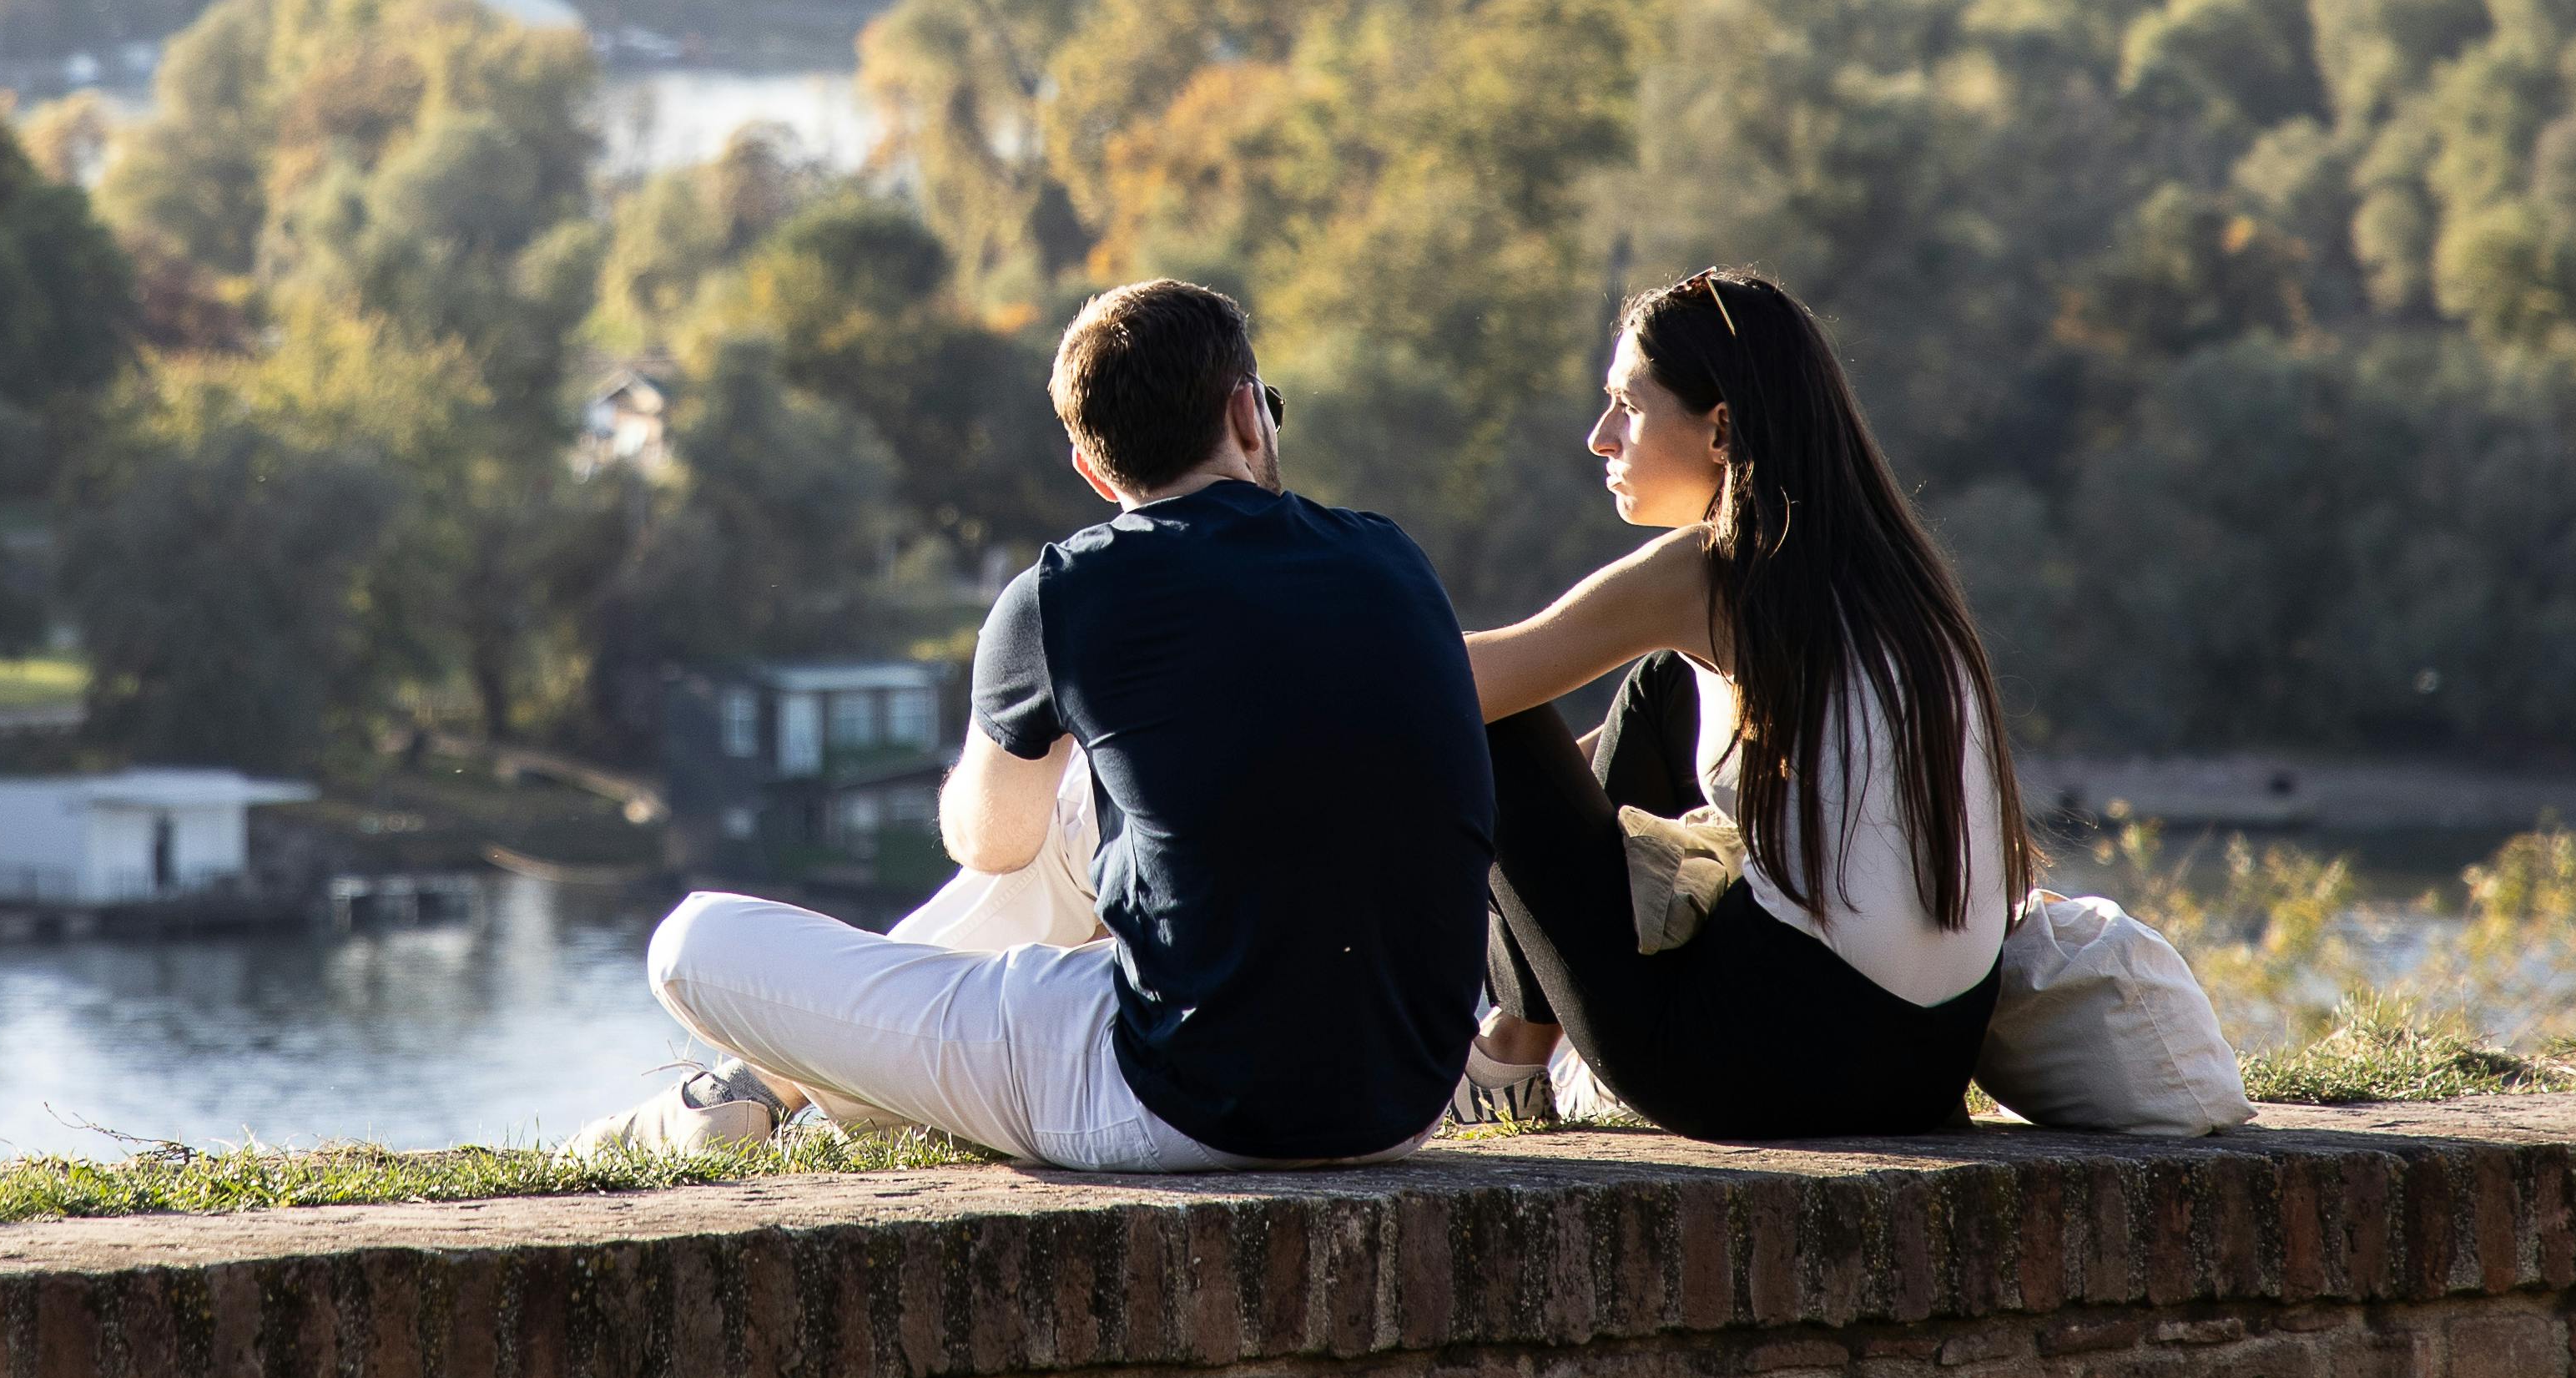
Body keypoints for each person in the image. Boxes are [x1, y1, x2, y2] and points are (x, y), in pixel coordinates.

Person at [606, 277, 1495, 1171]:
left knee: (690, 942)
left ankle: (761, 1084)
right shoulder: (1391, 555)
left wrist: (1042, 720)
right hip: (1405, 1096)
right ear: (1247, 414)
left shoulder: (1065, 593)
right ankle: (777, 1084)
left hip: (1191, 1105)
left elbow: (991, 845)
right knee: (1084, 799)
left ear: (1094, 470)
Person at [1454, 265, 2027, 1139]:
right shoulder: (1895, 580)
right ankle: (1513, 1046)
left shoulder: (1712, 573)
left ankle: (1504, 1056)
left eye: (1627, 405)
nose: (1599, 437)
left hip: (1755, 1069)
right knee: (1655, 687)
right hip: (1925, 1072)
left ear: (1721, 427)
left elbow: (1468, 685)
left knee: (1492, 726)